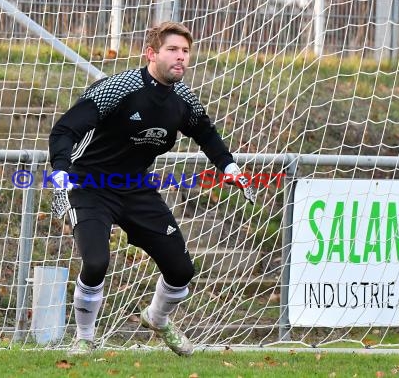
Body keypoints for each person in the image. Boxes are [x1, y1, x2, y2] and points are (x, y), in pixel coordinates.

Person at [48, 21, 255, 356]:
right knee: (97, 261)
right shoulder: (116, 89)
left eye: (185, 51)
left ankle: (158, 319)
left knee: (181, 270)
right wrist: (60, 170)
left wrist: (229, 166)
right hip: (89, 184)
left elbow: (206, 133)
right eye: (172, 50)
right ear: (151, 54)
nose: (181, 57)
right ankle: (85, 338)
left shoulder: (183, 98)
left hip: (135, 187)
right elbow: (64, 131)